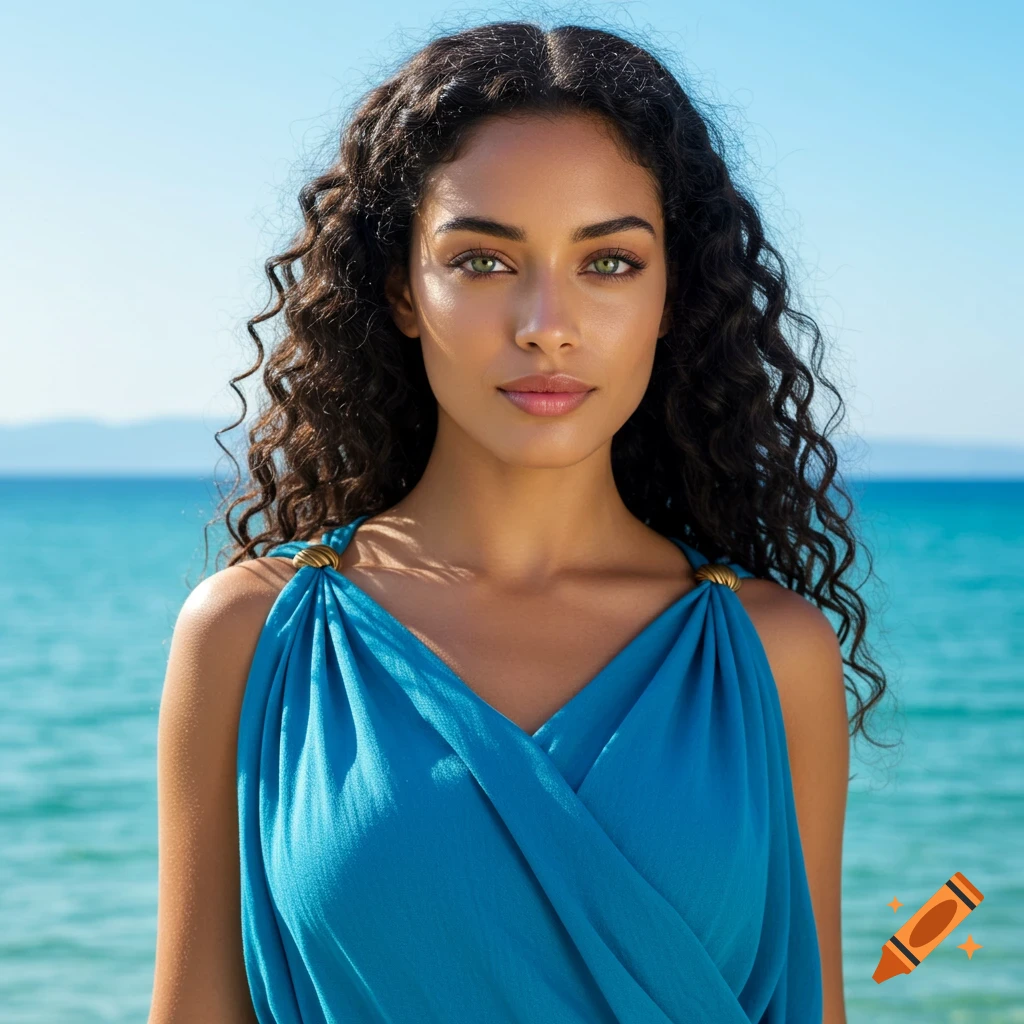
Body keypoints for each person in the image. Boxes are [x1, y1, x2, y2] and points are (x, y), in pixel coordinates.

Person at [149, 20, 891, 1024]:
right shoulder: (253, 635)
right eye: (484, 261)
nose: (547, 320)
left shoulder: (767, 651)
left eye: (610, 263)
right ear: (401, 290)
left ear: (673, 294)